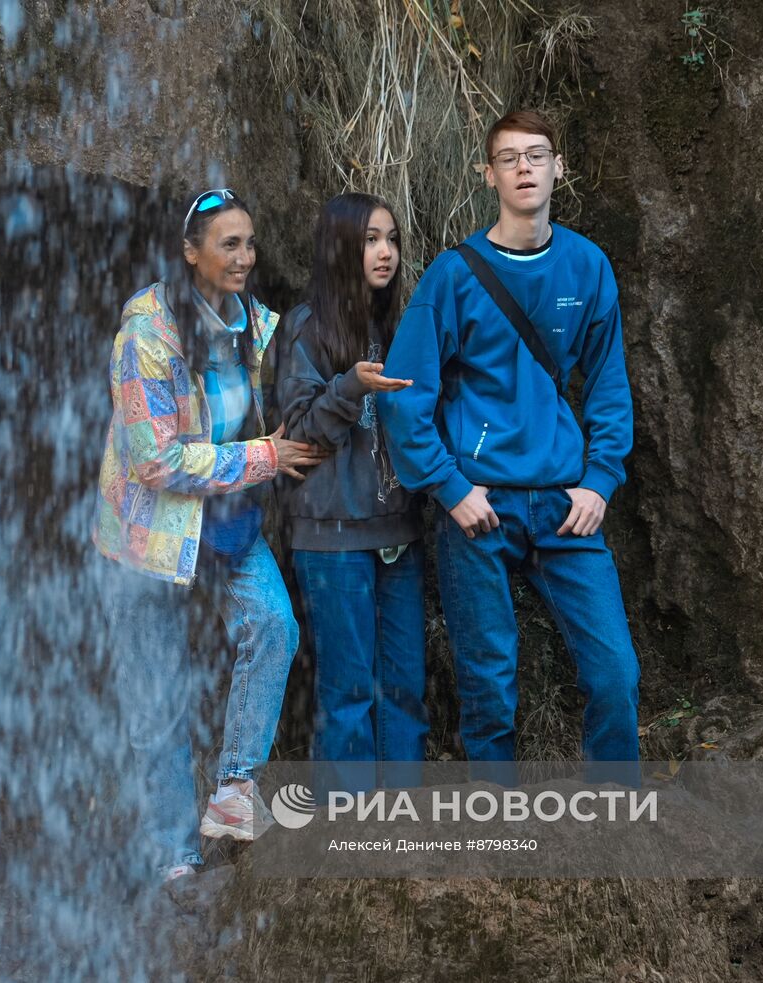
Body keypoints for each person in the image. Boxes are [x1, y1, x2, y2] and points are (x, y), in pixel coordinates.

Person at [380, 110, 641, 786]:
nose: (525, 168)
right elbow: (404, 394)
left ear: (559, 167)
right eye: (509, 158)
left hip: (565, 504)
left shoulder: (588, 267)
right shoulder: (453, 276)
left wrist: (601, 479)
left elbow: (608, 386)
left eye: (537, 156)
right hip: (480, 507)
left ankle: (617, 816)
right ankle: (497, 825)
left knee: (615, 671)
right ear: (487, 173)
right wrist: (450, 486)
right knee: (488, 679)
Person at [93, 188, 327, 882]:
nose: (246, 257)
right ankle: (174, 854)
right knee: (155, 706)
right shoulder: (147, 336)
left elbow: (313, 350)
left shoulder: (254, 321)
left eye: (250, 243)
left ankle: (232, 789)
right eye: (229, 244)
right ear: (190, 252)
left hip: (226, 525)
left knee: (275, 627)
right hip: (147, 538)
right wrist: (265, 457)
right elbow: (155, 461)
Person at [274, 193, 427, 793]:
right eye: (369, 240)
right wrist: (350, 387)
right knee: (348, 691)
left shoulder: (402, 324)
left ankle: (402, 824)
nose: (385, 251)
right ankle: (348, 837)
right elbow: (302, 430)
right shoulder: (306, 327)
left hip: (400, 533)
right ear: (341, 248)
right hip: (332, 536)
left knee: (405, 687)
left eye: (390, 238)